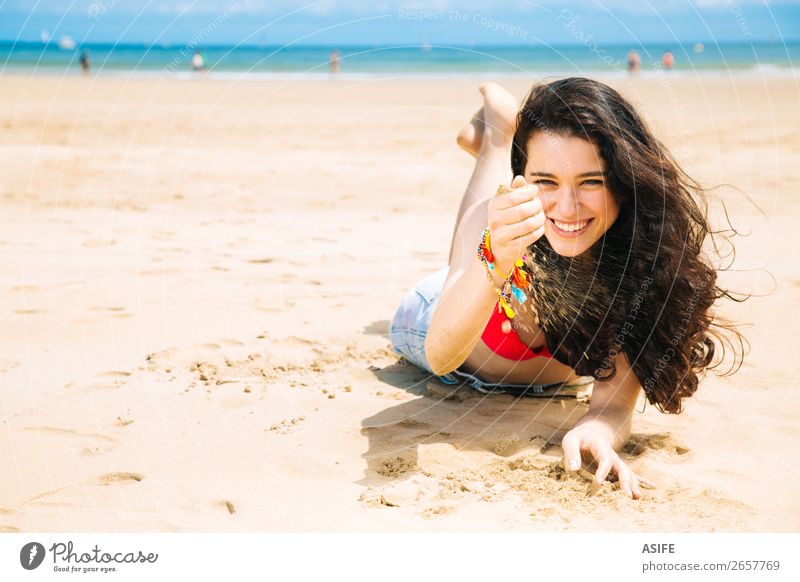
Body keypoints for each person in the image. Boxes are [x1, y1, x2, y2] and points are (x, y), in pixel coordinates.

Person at [389, 79, 745, 499]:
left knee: (496, 222)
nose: (569, 206)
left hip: (531, 350)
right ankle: (498, 141)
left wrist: (596, 433)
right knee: (482, 223)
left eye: (591, 181)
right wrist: (495, 260)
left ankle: (499, 140)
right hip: (434, 311)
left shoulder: (641, 267)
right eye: (547, 180)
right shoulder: (498, 233)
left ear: (623, 180)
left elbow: (612, 406)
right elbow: (441, 355)